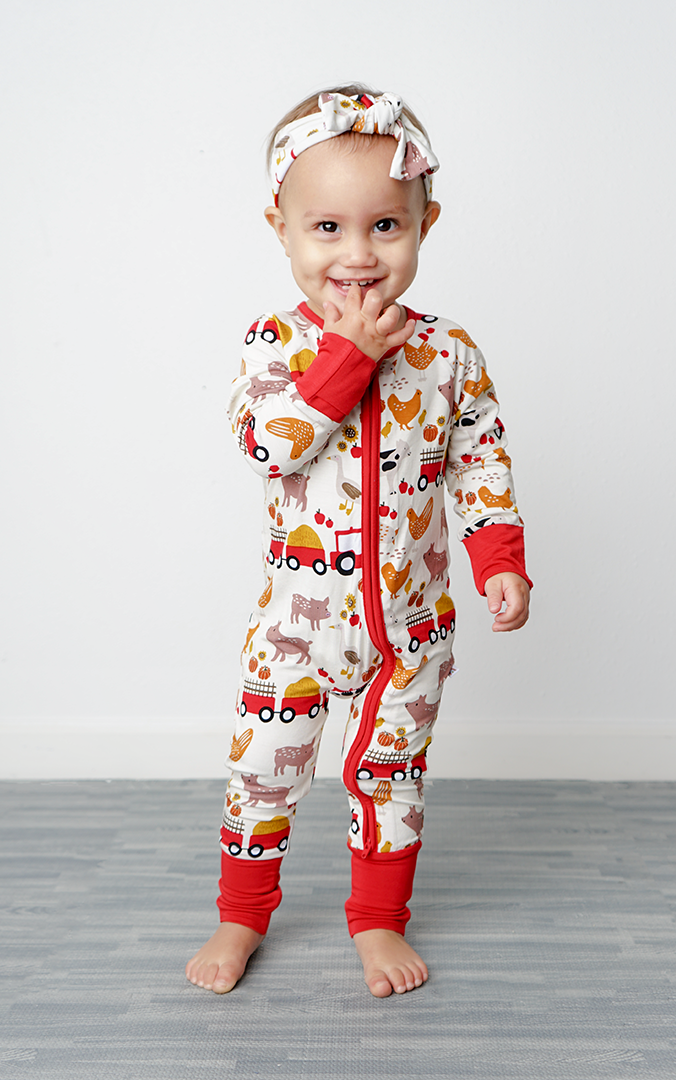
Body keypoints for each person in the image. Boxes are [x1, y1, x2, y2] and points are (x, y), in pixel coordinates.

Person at [186, 85, 532, 998]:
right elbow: (273, 441)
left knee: (391, 778)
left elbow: (480, 463)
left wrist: (498, 559)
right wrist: (350, 357)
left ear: (426, 221)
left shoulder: (448, 354)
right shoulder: (275, 345)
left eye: (385, 226)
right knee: (263, 772)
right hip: (295, 634)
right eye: (327, 228)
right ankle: (241, 913)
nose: (357, 254)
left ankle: (378, 921)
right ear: (282, 226)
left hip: (407, 634)